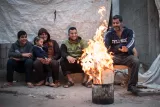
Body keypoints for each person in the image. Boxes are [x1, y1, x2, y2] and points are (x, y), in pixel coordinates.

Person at [104, 15, 140, 94]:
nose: (115, 25)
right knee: (102, 62)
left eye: (117, 23)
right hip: (114, 57)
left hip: (127, 56)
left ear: (121, 23)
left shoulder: (129, 31)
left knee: (136, 61)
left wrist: (127, 48)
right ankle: (106, 84)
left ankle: (132, 86)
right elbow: (105, 45)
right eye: (114, 23)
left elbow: (132, 41)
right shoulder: (109, 33)